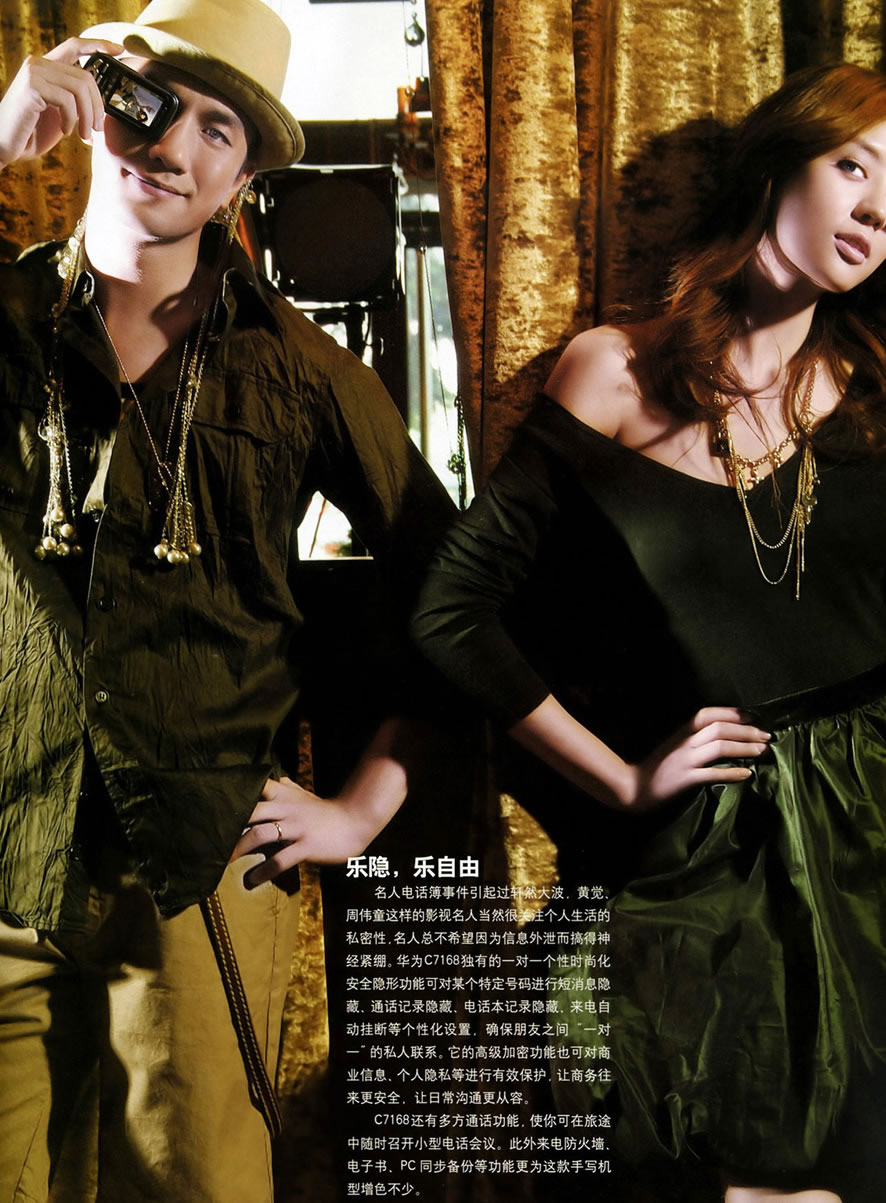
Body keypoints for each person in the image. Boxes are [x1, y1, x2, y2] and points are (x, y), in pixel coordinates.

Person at [413, 64, 886, 1202]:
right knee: (624, 1114)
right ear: (776, 166)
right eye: (850, 166)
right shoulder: (616, 369)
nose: (871, 211)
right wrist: (621, 781)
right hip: (705, 841)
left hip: (880, 829)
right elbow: (451, 612)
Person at [0, 0, 454, 1200]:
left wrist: (363, 807)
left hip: (198, 867)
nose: (172, 148)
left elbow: (461, 598)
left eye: (219, 130)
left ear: (242, 178)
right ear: (100, 105)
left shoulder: (302, 369)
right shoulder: (6, 321)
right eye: (155, 104)